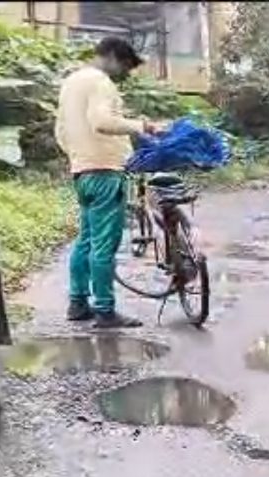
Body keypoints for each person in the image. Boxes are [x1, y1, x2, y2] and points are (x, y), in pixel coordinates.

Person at [54, 36, 159, 328]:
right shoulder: (101, 82)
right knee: (104, 244)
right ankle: (105, 309)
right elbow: (101, 121)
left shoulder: (72, 82)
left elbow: (60, 131)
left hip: (83, 171)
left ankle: (78, 303)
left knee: (86, 239)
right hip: (104, 172)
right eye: (125, 65)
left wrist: (80, 157)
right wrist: (141, 126)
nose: (125, 73)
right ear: (112, 56)